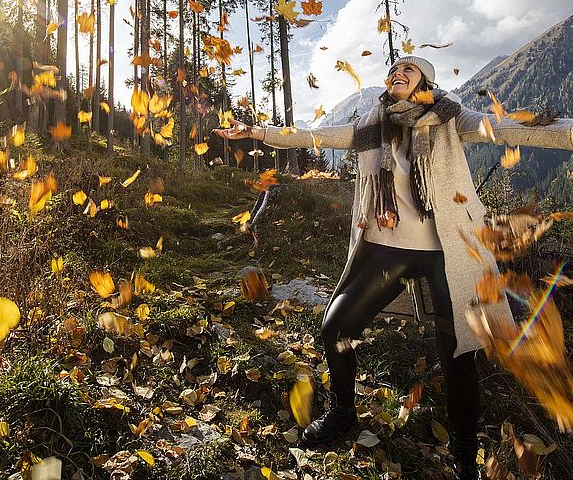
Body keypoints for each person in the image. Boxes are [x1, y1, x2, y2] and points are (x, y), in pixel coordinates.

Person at [213, 56, 573, 480]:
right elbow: (312, 135)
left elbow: (506, 125)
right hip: (389, 251)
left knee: (457, 356)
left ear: (427, 82)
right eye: (393, 70)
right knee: (336, 327)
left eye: (409, 69)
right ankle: (342, 412)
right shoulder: (370, 124)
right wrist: (257, 131)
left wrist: (566, 132)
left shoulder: (450, 117)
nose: (397, 73)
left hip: (448, 252)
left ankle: (462, 461)